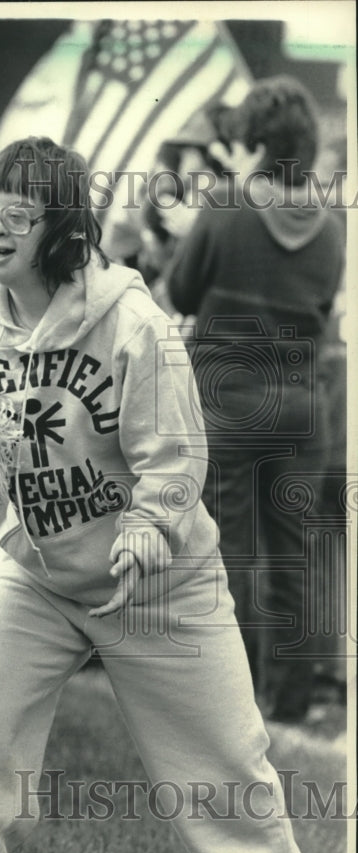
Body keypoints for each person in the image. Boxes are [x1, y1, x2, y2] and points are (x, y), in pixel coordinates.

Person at [0, 136, 346, 853]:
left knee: (226, 756)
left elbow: (178, 454)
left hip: (161, 578)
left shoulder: (135, 323)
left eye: (19, 214)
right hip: (41, 574)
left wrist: (148, 529)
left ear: (64, 228)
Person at [166, 77, 345, 723]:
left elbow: (182, 294)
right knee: (293, 557)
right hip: (302, 407)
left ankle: (233, 702)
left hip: (229, 402)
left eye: (242, 138)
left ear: (261, 142)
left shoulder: (223, 205)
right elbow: (322, 312)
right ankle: (291, 704)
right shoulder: (333, 225)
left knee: (228, 553)